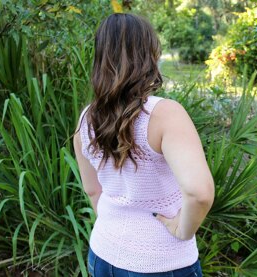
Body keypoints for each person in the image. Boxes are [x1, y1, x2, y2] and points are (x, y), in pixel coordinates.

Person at [73, 13, 215, 277]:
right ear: (149, 55)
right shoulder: (165, 115)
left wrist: (117, 229)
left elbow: (93, 191)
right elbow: (200, 193)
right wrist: (182, 231)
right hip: (161, 262)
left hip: (102, 253)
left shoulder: (86, 121)